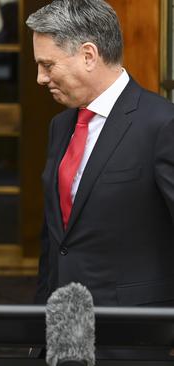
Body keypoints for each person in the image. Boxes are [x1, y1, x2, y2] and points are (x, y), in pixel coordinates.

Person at [28, 0, 174, 306]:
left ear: (88, 55)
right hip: (62, 327)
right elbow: (54, 240)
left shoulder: (162, 125)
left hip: (134, 337)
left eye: (48, 65)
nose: (41, 78)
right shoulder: (60, 125)